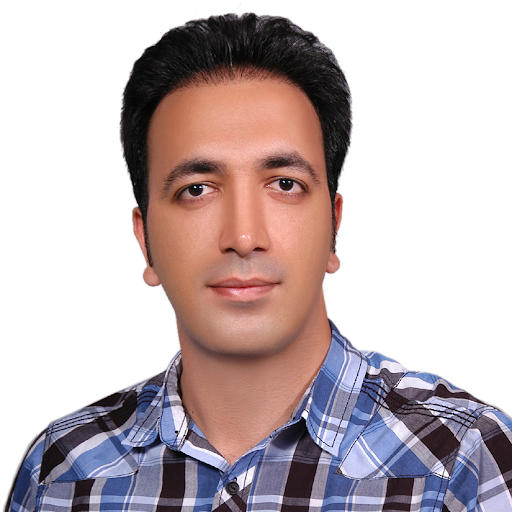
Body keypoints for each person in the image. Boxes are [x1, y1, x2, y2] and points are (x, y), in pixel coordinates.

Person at [6, 13, 512, 512]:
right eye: (196, 190)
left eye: (285, 184)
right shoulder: (62, 474)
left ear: (333, 226)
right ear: (145, 240)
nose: (244, 238)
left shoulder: (463, 462)